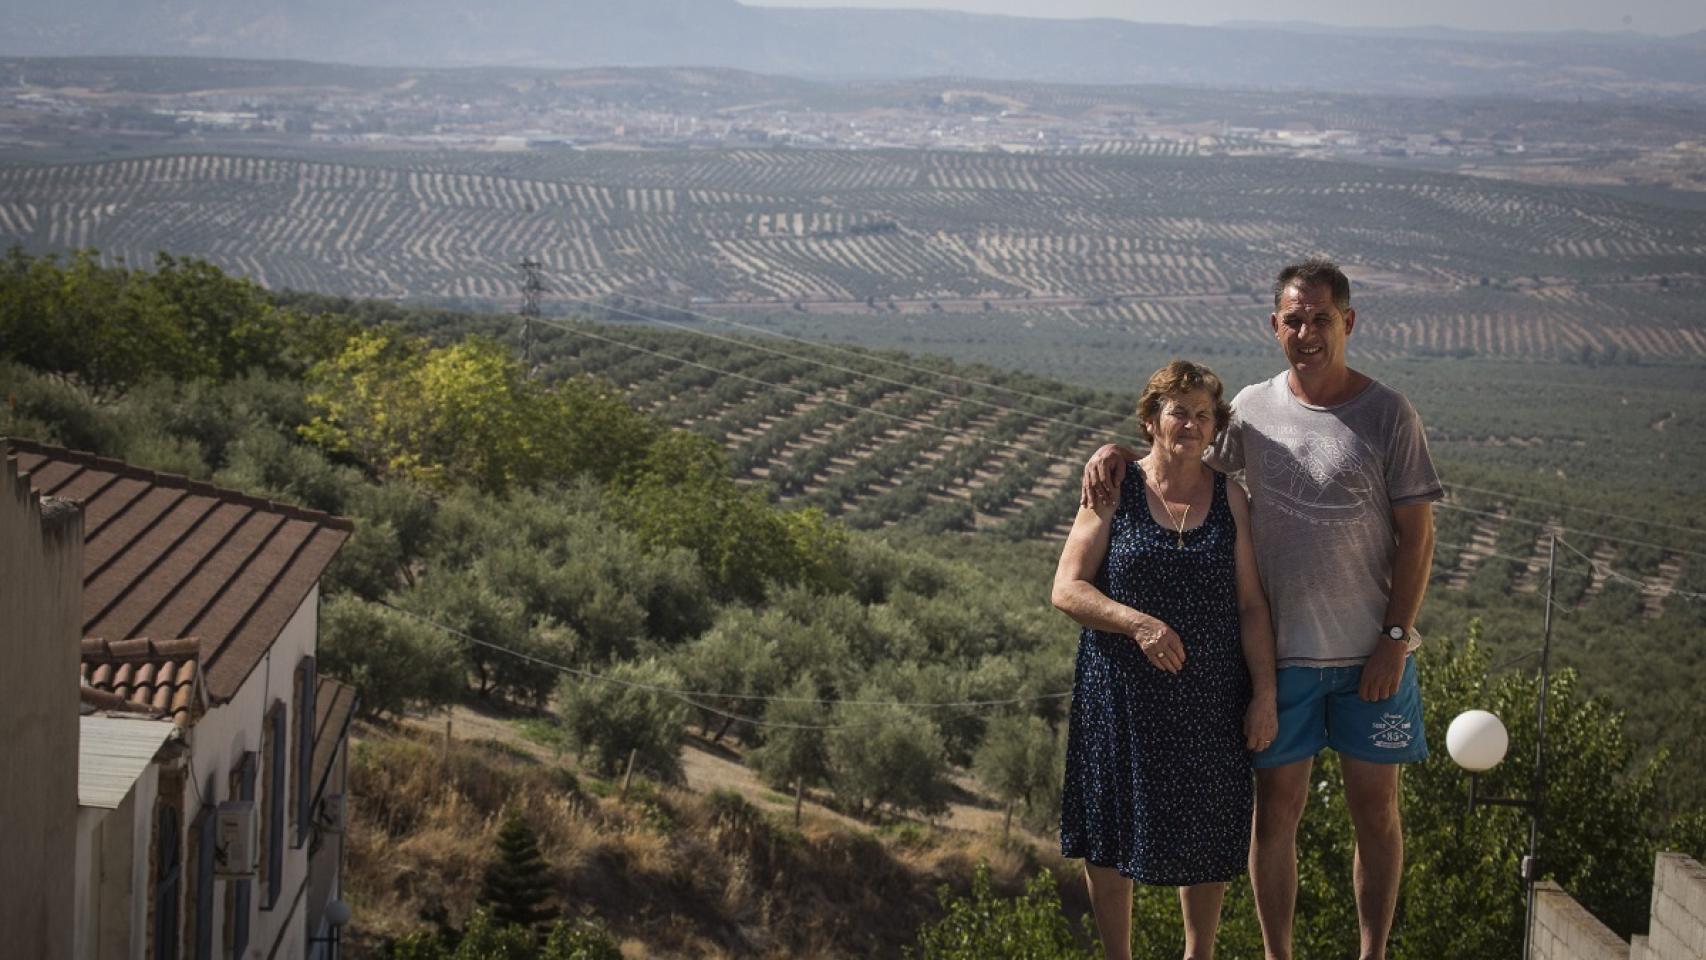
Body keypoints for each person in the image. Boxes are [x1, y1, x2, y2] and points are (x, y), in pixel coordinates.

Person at [1082, 258, 1442, 960]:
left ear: (1348, 322)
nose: (1307, 332)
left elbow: (1418, 537)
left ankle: (1374, 954)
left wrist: (1395, 638)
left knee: (1378, 813)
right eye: (1294, 319)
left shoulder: (1388, 413)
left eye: (1320, 319)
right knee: (1274, 819)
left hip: (1373, 651)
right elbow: (1178, 454)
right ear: (1275, 325)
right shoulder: (1249, 407)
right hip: (1281, 658)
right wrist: (1115, 451)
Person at [1053, 359, 1279, 960]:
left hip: (1209, 700)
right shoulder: (1113, 488)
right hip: (1120, 698)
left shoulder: (1232, 497)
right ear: (1151, 419)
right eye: (1178, 410)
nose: (1191, 423)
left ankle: (1197, 955)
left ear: (1215, 427)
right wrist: (1138, 624)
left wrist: (1264, 693)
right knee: (1109, 835)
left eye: (1204, 414)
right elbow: (1066, 589)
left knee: (1206, 834)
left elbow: (1253, 607)